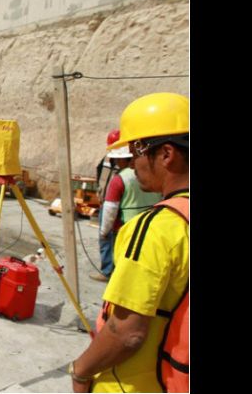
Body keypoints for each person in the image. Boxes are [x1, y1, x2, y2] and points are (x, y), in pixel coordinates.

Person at [69, 92, 189, 393]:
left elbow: (127, 333)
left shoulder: (156, 229)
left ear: (166, 154)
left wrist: (80, 372)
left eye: (136, 151)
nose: (133, 163)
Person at [90, 129, 162, 282]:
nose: (116, 162)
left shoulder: (121, 178)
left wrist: (104, 230)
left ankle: (110, 272)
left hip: (123, 223)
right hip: (149, 221)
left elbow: (111, 208)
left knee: (116, 249)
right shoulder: (154, 175)